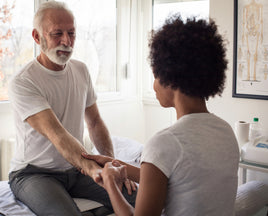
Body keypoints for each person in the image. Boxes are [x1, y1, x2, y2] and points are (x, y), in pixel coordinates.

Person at [83, 15, 240, 216]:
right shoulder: (226, 132)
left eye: (155, 75)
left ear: (171, 77)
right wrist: (113, 163)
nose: (154, 85)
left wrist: (110, 183)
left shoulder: (164, 143)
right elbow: (178, 177)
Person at [8, 1, 136, 216]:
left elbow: (94, 122)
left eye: (72, 33)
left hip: (75, 170)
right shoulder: (24, 81)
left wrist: (111, 166)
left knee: (139, 196)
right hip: (34, 174)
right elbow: (57, 135)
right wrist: (93, 170)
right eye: (57, 33)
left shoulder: (81, 70)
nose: (67, 41)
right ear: (37, 37)